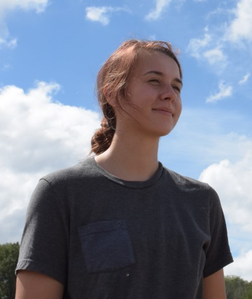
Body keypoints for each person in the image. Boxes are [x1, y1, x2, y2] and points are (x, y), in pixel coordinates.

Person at [15, 39, 232, 299]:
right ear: (113, 93)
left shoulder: (202, 200)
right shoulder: (60, 193)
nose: (170, 94)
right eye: (154, 81)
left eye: (177, 86)